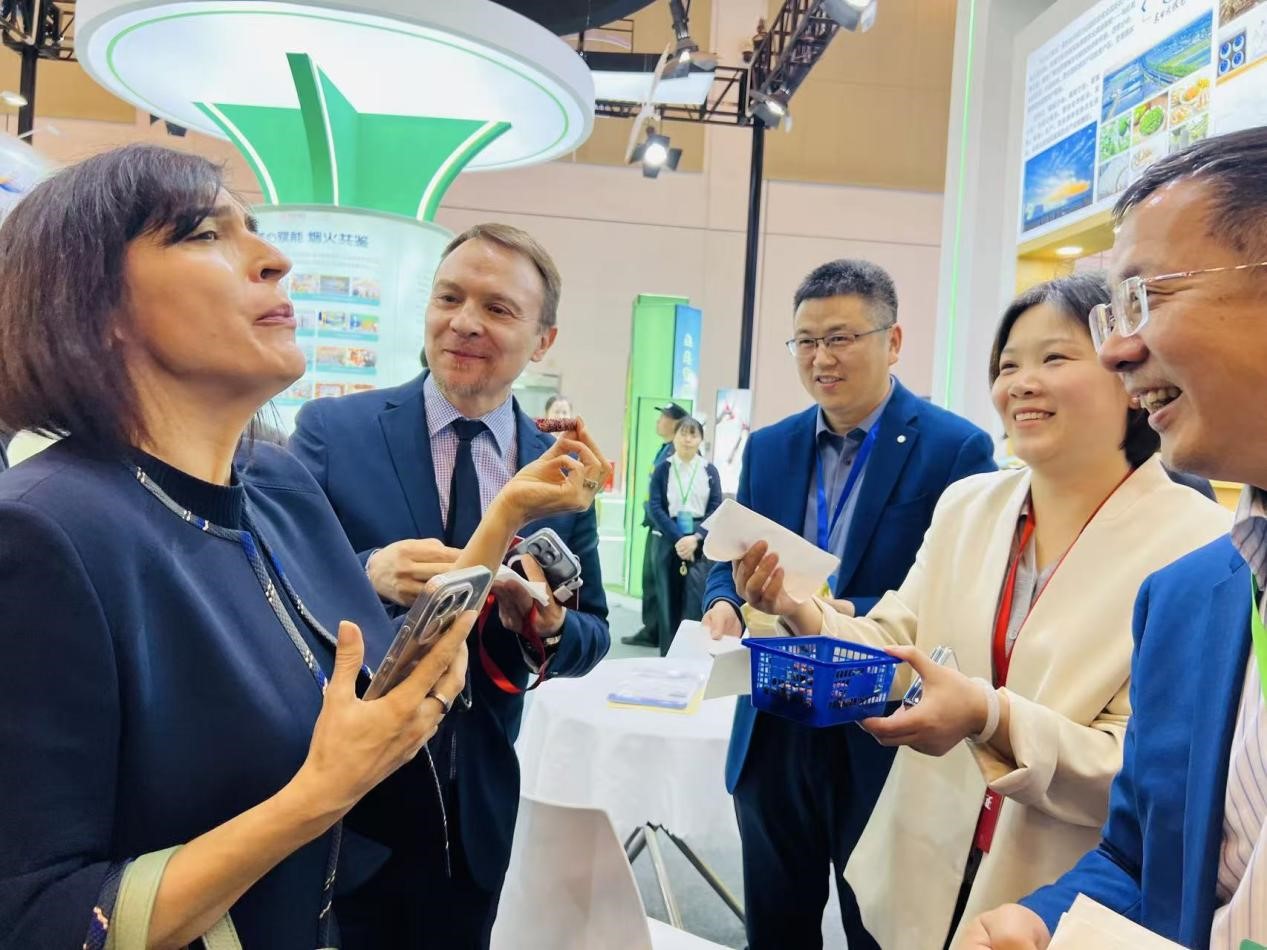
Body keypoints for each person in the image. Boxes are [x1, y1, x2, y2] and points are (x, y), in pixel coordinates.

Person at [0, 145, 612, 949]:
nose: (274, 259)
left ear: (541, 338)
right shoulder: (41, 533)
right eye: (205, 234)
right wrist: (319, 794)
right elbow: (37, 912)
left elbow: (381, 683)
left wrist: (506, 525)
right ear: (91, 304)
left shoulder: (274, 486)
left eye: (498, 309)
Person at [733, 274, 1229, 948]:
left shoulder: (1197, 545)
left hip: (1053, 889)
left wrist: (988, 717)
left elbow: (1154, 779)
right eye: (1007, 365)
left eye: (1054, 358)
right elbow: (897, 638)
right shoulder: (970, 506)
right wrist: (801, 610)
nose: (1021, 383)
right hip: (922, 862)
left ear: (1126, 373)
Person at [958, 128, 1267, 950]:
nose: (1119, 350)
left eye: (1148, 298)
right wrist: (1039, 919)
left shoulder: (1172, 541)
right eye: (1112, 314)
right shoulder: (1193, 598)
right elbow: (1145, 859)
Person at [288, 222, 611, 946]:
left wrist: (552, 627)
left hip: (476, 808)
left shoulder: (559, 469)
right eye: (449, 298)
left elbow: (593, 631)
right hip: (346, 802)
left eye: (497, 308)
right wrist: (367, 571)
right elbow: (273, 579)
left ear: (543, 340)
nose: (464, 322)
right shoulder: (334, 431)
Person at [701, 258, 997, 949]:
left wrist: (817, 608)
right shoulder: (770, 447)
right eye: (805, 341)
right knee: (776, 926)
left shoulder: (954, 449)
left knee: (880, 930)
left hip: (881, 728)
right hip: (774, 721)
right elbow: (729, 553)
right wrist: (725, 599)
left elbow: (960, 588)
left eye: (839, 338)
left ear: (893, 342)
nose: (820, 359)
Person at [647, 415, 723, 655]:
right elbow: (655, 506)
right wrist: (679, 538)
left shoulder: (709, 470)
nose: (688, 439)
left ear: (700, 439)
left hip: (699, 543)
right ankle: (667, 657)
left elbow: (716, 508)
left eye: (693, 434)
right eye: (683, 433)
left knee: (695, 602)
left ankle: (691, 658)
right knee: (668, 603)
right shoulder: (663, 469)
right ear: (675, 437)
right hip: (668, 538)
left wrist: (696, 537)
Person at [625, 402, 690, 648]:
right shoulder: (664, 449)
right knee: (651, 582)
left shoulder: (677, 453)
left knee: (664, 587)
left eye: (663, 417)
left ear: (675, 423)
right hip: (654, 525)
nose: (658, 421)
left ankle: (664, 637)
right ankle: (652, 630)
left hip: (667, 529)